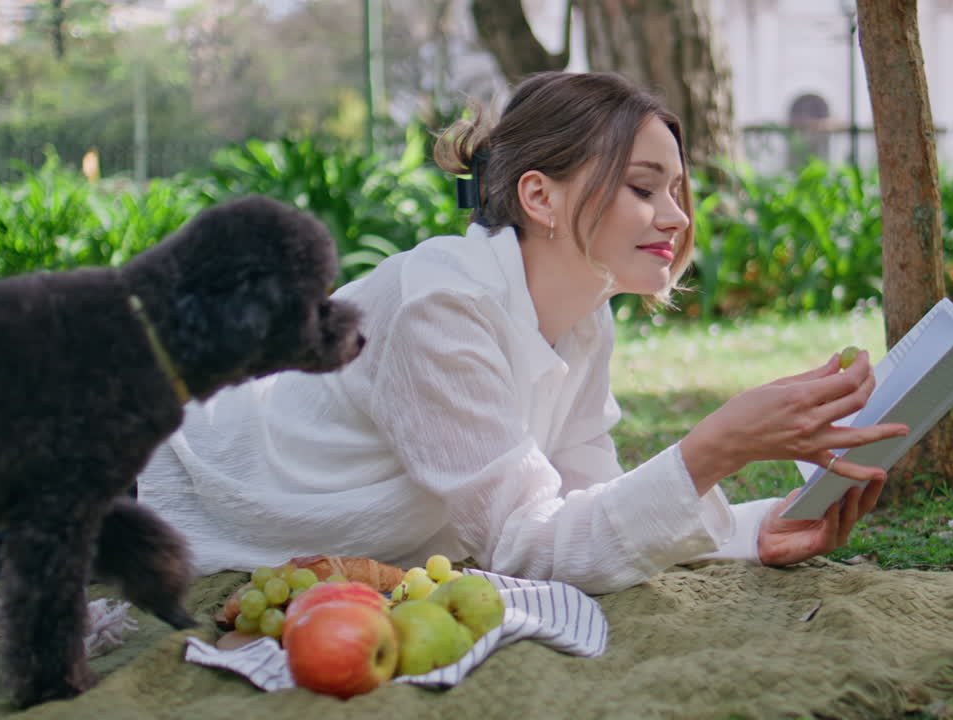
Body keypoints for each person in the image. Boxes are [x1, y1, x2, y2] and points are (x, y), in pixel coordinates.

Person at [138, 71, 909, 595]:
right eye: (644, 187)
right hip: (147, 479)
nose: (676, 216)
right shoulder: (439, 303)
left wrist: (753, 526)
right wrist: (715, 447)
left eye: (677, 189)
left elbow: (578, 509)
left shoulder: (583, 318)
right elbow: (525, 548)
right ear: (539, 197)